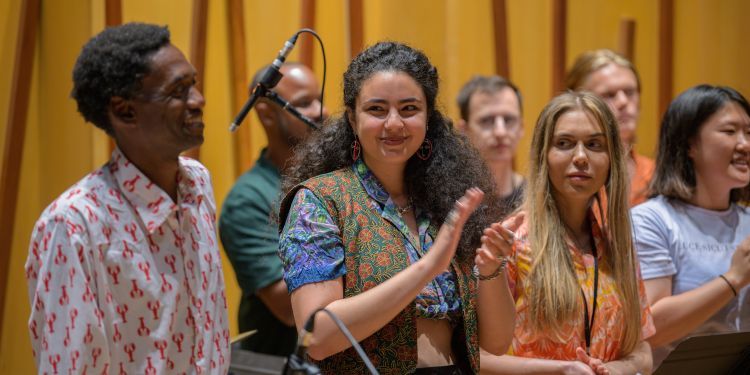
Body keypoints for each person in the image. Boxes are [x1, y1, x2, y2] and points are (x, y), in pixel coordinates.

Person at [278, 41, 516, 374]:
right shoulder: (320, 200)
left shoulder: (446, 199)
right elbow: (317, 335)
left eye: (408, 109)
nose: (393, 124)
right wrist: (429, 266)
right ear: (352, 116)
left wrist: (492, 268)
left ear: (428, 117)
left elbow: (496, 343)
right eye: (377, 110)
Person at [24, 23, 229, 374]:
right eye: (178, 91)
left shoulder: (197, 182)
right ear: (125, 111)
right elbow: (72, 364)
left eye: (192, 83)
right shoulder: (74, 224)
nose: (198, 100)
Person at [481, 92, 654, 374]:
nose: (581, 157)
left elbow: (643, 350)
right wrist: (560, 370)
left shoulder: (618, 244)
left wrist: (615, 370)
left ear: (611, 159)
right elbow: (476, 357)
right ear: (544, 156)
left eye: (595, 144)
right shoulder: (512, 241)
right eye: (564, 144)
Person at [632, 84, 750, 366]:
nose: (745, 144)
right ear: (689, 144)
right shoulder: (652, 220)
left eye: (749, 132)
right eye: (730, 131)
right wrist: (733, 279)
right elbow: (650, 329)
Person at [219, 62, 328, 356]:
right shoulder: (249, 198)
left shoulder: (337, 177)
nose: (322, 110)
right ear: (266, 113)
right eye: (305, 103)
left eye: (320, 98)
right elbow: (288, 307)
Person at [566, 49, 654, 206]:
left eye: (630, 92)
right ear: (577, 103)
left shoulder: (657, 176)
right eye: (609, 95)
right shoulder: (566, 176)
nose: (623, 102)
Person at [456, 75, 525, 216]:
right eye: (487, 120)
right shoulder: (449, 198)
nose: (500, 132)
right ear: (464, 131)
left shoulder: (539, 198)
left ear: (521, 127)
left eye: (508, 119)